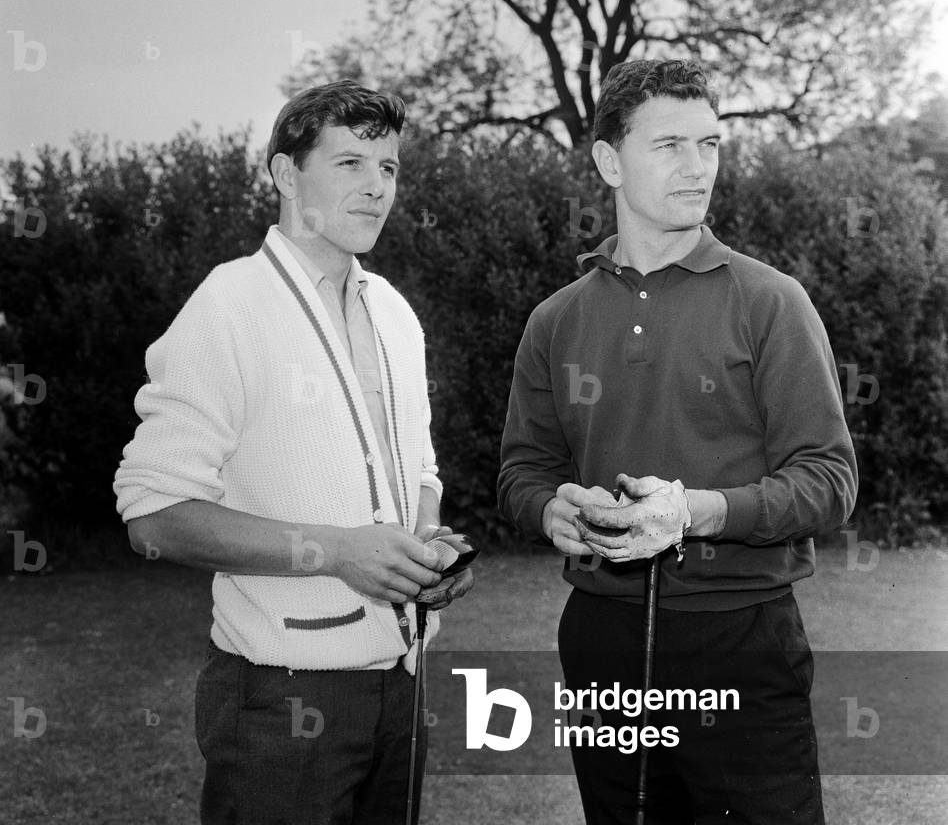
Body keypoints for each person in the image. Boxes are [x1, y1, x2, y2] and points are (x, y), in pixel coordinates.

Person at [497, 58, 857, 824]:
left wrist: (696, 510)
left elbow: (828, 479)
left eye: (712, 144)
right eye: (670, 147)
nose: (699, 169)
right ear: (607, 161)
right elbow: (523, 470)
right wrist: (547, 511)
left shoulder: (770, 301)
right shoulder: (555, 318)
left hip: (741, 638)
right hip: (603, 638)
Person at [114, 79, 473, 825]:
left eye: (389, 168)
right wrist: (339, 552)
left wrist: (423, 546)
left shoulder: (396, 314)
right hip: (283, 698)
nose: (377, 188)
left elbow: (422, 471)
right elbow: (152, 514)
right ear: (286, 174)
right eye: (349, 165)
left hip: (405, 688)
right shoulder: (229, 303)